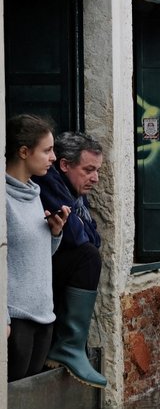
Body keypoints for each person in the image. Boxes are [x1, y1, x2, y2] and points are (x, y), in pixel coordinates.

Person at [34, 131, 107, 388]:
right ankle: (70, 346)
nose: (95, 178)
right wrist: (80, 230)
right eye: (88, 170)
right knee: (87, 257)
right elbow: (76, 238)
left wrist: (80, 229)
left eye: (97, 170)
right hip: (35, 281)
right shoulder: (48, 183)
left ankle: (73, 346)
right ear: (64, 165)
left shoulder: (73, 190)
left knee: (89, 252)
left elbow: (93, 237)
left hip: (51, 279)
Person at [5, 114, 70, 381]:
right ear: (23, 151)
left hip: (44, 316)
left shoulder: (34, 192)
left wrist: (55, 233)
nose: (53, 157)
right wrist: (4, 319)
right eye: (47, 150)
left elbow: (36, 256)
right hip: (15, 319)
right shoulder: (3, 197)